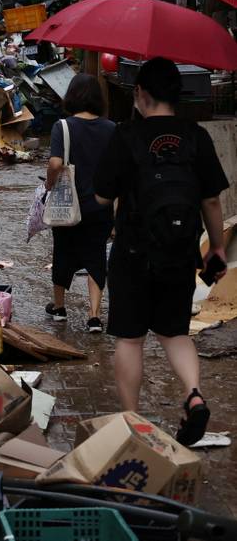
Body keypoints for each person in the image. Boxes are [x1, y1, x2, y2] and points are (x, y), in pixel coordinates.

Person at [94, 57, 228, 446]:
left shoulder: (125, 135)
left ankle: (132, 421)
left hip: (133, 252)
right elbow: (213, 201)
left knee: (130, 338)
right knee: (175, 333)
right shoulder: (196, 136)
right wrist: (216, 247)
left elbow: (102, 196)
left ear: (140, 93)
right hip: (180, 251)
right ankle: (193, 394)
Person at [44, 74, 115, 333]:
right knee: (96, 256)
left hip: (68, 205)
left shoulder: (62, 126)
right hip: (100, 206)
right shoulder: (111, 128)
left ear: (72, 96)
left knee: (63, 252)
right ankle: (94, 316)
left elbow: (55, 163)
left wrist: (49, 183)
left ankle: (60, 308)